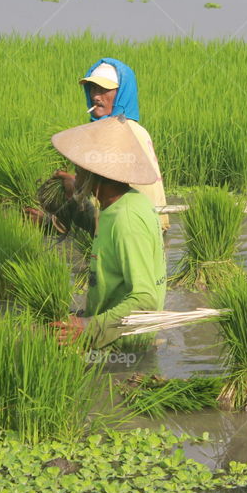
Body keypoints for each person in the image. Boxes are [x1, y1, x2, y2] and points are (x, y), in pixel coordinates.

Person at [48, 115, 167, 350]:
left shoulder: (127, 219)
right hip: (109, 332)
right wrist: (74, 199)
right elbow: (103, 234)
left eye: (80, 171)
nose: (76, 175)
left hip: (122, 345)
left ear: (98, 173)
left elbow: (145, 300)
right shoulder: (123, 203)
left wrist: (87, 326)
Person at [55, 58, 170, 233]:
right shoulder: (135, 128)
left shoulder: (116, 133)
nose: (96, 96)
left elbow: (96, 189)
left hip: (130, 224)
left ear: (122, 93)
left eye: (104, 90)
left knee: (70, 192)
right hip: (150, 221)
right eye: (93, 88)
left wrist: (72, 184)